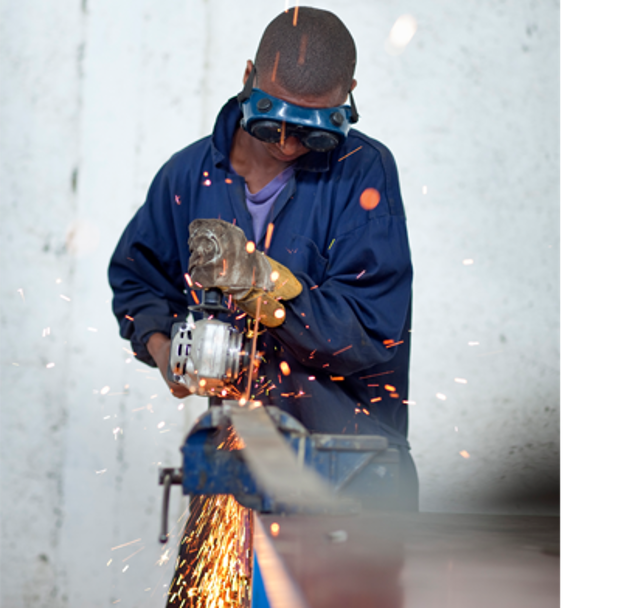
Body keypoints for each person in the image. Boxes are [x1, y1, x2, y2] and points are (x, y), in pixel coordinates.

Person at [108, 7, 417, 511]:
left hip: (351, 471)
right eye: (274, 124)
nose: (290, 145)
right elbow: (137, 280)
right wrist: (167, 351)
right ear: (247, 77)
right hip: (234, 468)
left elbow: (370, 332)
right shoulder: (189, 176)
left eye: (312, 132)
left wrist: (261, 282)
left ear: (348, 95)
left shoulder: (364, 172)